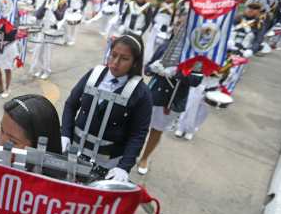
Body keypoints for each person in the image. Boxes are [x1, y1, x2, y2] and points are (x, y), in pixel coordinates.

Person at [61, 33, 152, 182]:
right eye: (113, 55)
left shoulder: (141, 93)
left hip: (108, 162)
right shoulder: (94, 75)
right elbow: (71, 104)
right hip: (74, 150)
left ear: (135, 62)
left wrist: (124, 166)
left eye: (124, 59)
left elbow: (138, 133)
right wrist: (65, 133)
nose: (115, 62)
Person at [137, 20, 203, 175]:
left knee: (157, 130)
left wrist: (178, 72)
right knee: (139, 126)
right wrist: (153, 68)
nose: (179, 28)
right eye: (178, 24)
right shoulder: (165, 46)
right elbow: (147, 69)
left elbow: (196, 80)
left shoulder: (196, 55)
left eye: (184, 26)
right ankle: (131, 153)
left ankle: (144, 158)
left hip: (172, 99)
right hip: (153, 93)